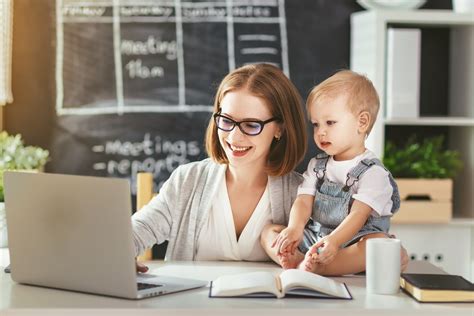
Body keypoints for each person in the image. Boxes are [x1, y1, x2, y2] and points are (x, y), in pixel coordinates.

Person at [132, 63, 307, 272]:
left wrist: (275, 245)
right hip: (192, 304)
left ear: (280, 128)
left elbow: (321, 263)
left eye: (251, 125)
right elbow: (137, 230)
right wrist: (120, 254)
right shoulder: (188, 180)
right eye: (226, 120)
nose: (233, 137)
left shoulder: (302, 194)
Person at [261, 70, 403, 276]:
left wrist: (334, 242)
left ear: (361, 122)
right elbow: (303, 201)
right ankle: (300, 258)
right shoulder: (317, 165)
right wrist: (294, 228)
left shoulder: (373, 173)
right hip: (317, 236)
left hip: (351, 242)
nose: (320, 132)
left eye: (330, 123)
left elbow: (358, 215)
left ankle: (320, 267)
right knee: (269, 232)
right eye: (316, 124)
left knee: (378, 243)